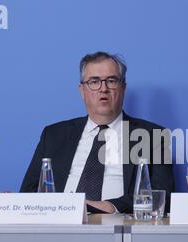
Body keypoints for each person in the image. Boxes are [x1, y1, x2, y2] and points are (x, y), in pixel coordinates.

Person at [20, 51, 174, 213]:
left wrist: (110, 206)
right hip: (60, 223)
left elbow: (163, 196)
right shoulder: (53, 135)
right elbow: (28, 191)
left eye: (111, 81)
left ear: (123, 88)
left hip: (117, 227)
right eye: (94, 81)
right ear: (82, 91)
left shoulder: (153, 136)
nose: (103, 89)